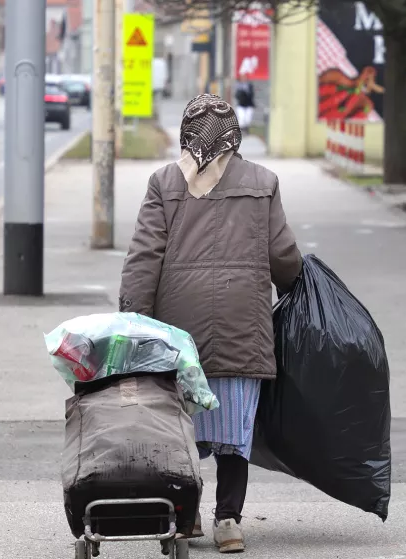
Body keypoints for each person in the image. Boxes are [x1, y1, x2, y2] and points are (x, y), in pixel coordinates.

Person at [119, 93, 302, 554]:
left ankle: (186, 517)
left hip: (179, 332)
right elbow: (282, 258)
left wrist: (134, 320)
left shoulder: (164, 182)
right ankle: (229, 522)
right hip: (244, 324)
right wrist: (299, 286)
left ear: (186, 135)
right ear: (234, 136)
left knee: (181, 426)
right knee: (234, 431)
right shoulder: (263, 182)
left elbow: (144, 257)